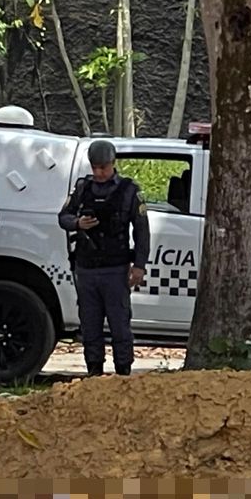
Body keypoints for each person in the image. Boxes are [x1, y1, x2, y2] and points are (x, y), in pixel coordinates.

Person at [59, 139, 150, 376]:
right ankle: (94, 371)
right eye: (95, 167)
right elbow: (63, 217)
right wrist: (77, 223)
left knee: (119, 323)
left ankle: (123, 371)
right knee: (90, 324)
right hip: (86, 268)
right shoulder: (83, 188)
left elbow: (142, 231)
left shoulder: (129, 191)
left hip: (115, 268)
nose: (99, 173)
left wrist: (139, 265)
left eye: (103, 167)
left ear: (113, 163)